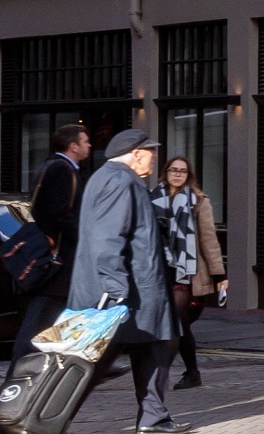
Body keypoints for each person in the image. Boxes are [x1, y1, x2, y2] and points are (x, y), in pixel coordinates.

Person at [67, 128, 178, 431]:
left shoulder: (108, 177)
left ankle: (154, 417)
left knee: (154, 346)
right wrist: (114, 287)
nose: (155, 158)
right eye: (151, 152)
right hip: (130, 290)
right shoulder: (120, 180)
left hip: (132, 288)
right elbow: (107, 238)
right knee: (92, 362)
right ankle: (43, 417)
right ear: (136, 153)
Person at [10, 121, 97, 367]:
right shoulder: (61, 169)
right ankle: (18, 369)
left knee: (70, 313)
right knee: (39, 320)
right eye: (85, 141)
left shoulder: (51, 166)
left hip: (57, 257)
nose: (89, 145)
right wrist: (84, 240)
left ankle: (83, 362)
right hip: (58, 259)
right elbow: (60, 214)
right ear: (73, 146)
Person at [159, 158, 227, 388]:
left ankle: (159, 375)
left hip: (187, 273)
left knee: (174, 320)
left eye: (183, 171)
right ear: (165, 172)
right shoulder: (153, 198)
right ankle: (192, 373)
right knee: (181, 324)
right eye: (173, 170)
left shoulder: (198, 201)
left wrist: (219, 275)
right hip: (159, 270)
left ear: (189, 175)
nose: (177, 174)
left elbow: (209, 239)